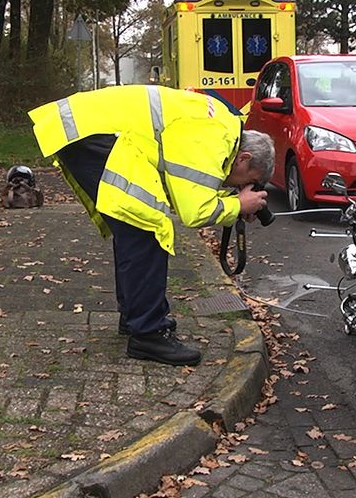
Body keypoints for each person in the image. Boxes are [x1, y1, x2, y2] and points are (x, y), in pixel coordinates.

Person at [28, 85, 273, 366]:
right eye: (245, 180)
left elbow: (186, 187)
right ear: (244, 158)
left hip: (87, 130)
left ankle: (137, 318)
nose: (239, 186)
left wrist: (233, 201)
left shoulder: (221, 127)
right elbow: (194, 210)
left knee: (134, 227)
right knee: (146, 225)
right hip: (94, 135)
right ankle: (148, 334)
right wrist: (239, 205)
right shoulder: (215, 137)